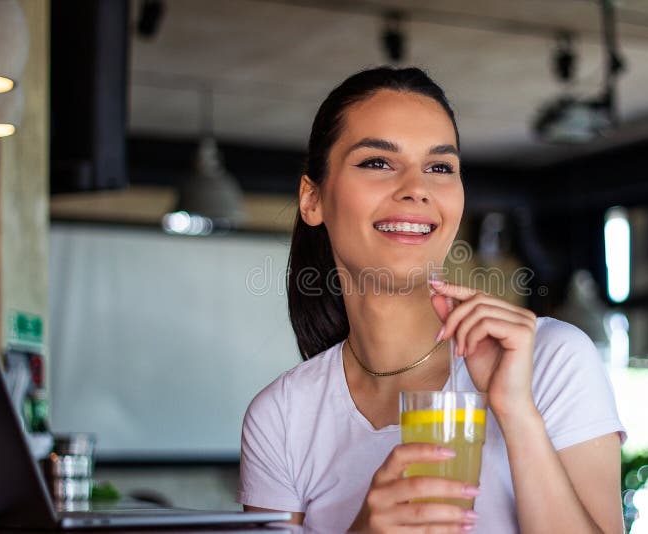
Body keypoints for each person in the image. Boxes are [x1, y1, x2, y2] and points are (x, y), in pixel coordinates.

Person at [237, 66, 626, 533]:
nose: (417, 189)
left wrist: (516, 413)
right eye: (378, 162)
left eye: (440, 167)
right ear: (312, 199)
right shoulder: (282, 416)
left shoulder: (550, 358)